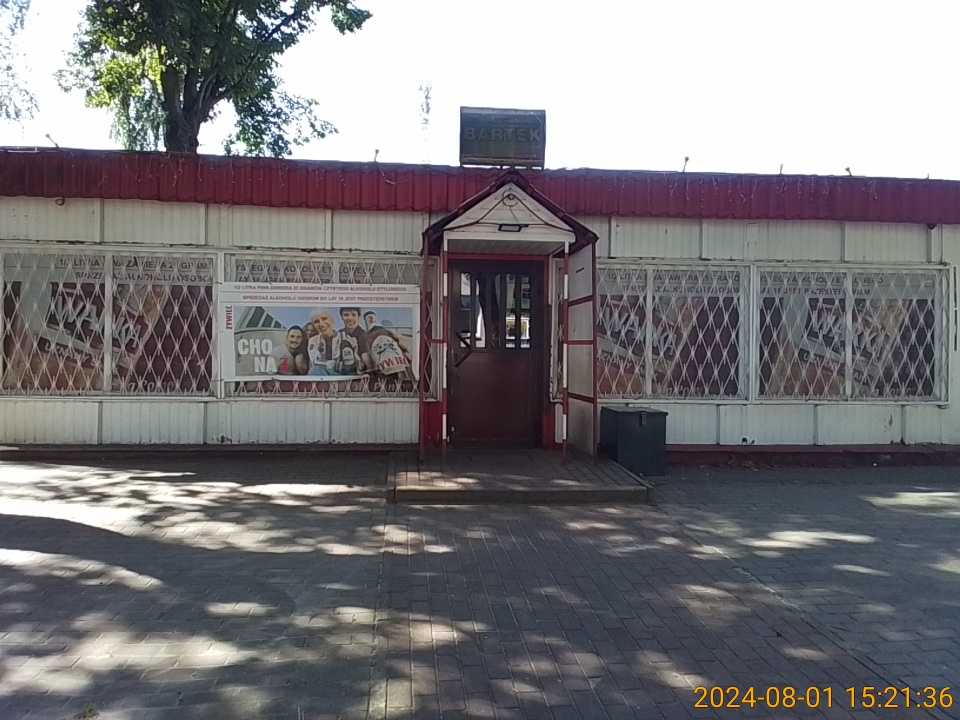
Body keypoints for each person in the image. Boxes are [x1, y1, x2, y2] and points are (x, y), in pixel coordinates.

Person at [337, 307, 371, 373]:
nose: (350, 318)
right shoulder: (339, 335)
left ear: (359, 317)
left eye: (353, 315)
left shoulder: (366, 336)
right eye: (346, 315)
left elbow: (367, 364)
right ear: (341, 317)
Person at [307, 309, 337, 376]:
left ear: (332, 320)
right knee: (314, 371)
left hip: (342, 375)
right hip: (322, 374)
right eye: (316, 321)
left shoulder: (345, 338)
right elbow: (316, 362)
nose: (321, 324)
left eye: (324, 319)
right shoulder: (313, 341)